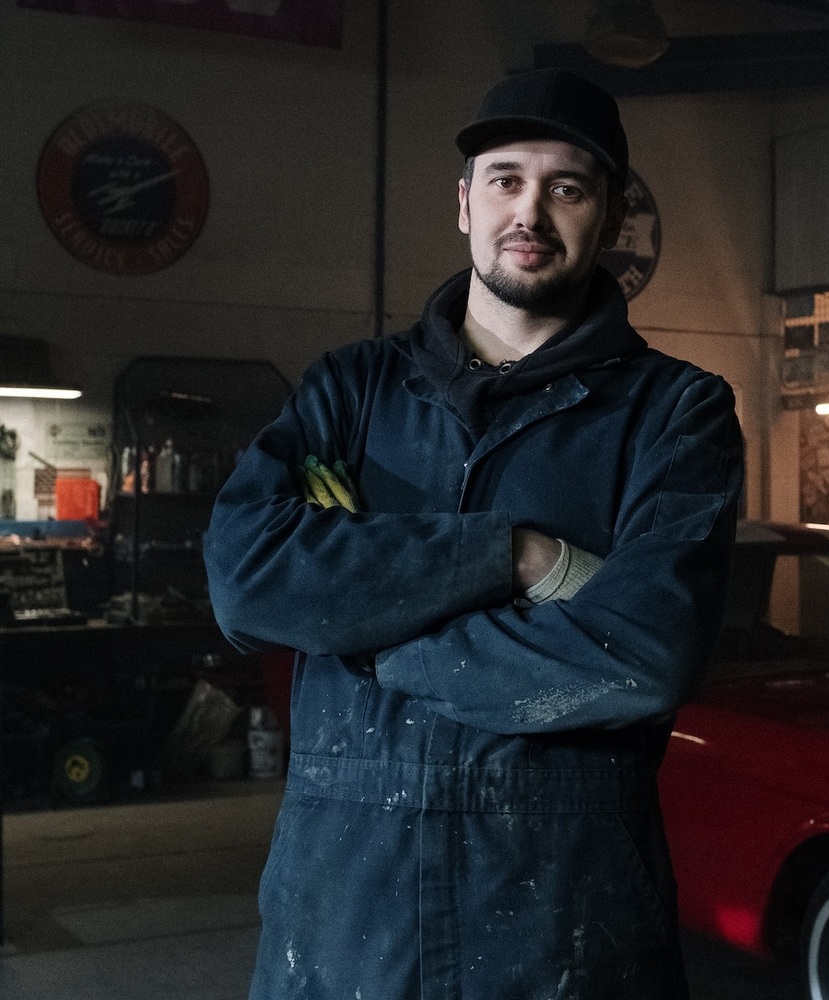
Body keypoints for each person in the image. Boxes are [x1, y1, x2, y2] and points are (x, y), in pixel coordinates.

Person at [205, 67, 744, 1000]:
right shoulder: (351, 390)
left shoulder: (675, 413)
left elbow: (642, 655)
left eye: (566, 187)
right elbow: (246, 578)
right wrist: (512, 555)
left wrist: (368, 638)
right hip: (341, 928)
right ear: (464, 203)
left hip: (565, 936)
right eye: (505, 180)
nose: (529, 211)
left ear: (612, 218)